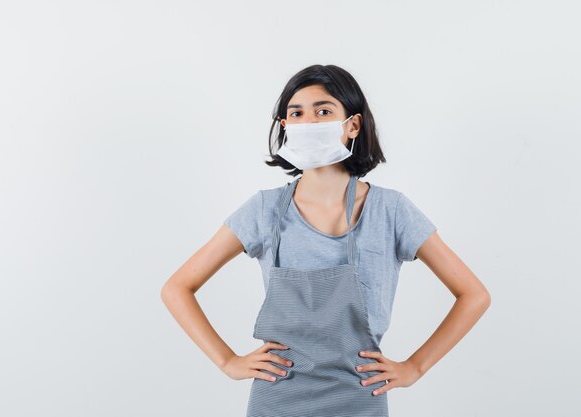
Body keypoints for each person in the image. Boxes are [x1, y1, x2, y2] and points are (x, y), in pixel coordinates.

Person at [161, 64, 491, 417]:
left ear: (352, 125)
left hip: (361, 395)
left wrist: (415, 367)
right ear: (285, 126)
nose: (309, 122)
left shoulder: (390, 211)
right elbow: (177, 287)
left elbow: (474, 295)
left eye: (323, 111)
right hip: (277, 399)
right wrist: (227, 361)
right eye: (296, 113)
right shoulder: (264, 210)